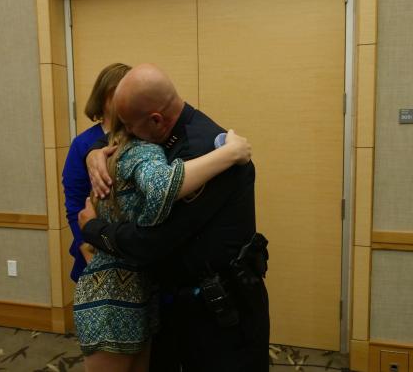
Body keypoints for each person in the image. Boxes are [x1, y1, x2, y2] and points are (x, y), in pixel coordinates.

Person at [79, 63, 270, 372]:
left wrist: (94, 229)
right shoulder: (168, 131)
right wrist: (95, 153)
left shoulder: (203, 154)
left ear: (156, 120)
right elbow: (124, 140)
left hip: (221, 316)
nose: (124, 135)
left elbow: (151, 242)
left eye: (129, 127)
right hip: (181, 305)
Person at [62, 63, 131, 283]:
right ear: (103, 97)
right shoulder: (82, 144)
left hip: (130, 243)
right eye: (117, 93)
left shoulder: (140, 136)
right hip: (93, 245)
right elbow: (74, 203)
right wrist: (85, 247)